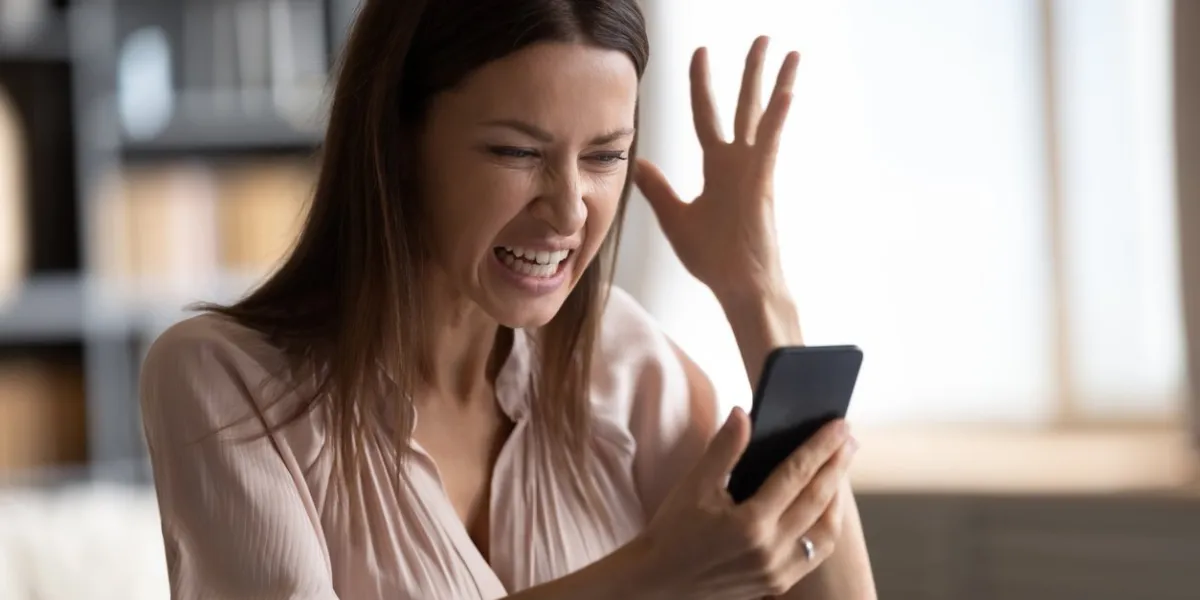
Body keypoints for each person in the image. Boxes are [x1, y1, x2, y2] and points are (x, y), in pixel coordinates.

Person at [138, 0, 877, 598]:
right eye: (518, 152)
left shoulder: (620, 359)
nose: (569, 211)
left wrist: (757, 293)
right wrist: (655, 573)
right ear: (397, 139)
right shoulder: (222, 380)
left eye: (604, 156)